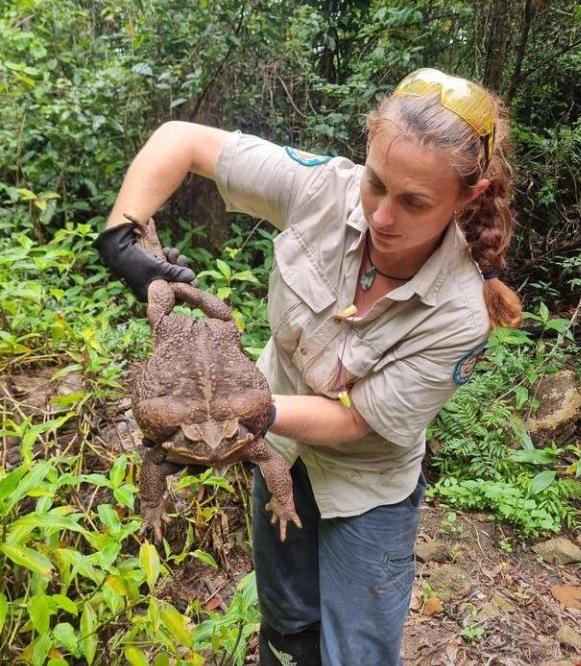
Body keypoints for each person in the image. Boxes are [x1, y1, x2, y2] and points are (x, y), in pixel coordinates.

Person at [96, 69, 522, 666]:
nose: (381, 216)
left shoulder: (459, 315)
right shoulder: (322, 189)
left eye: (414, 202)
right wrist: (122, 237)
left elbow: (355, 422)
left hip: (365, 485)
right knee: (287, 621)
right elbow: (181, 140)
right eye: (376, 183)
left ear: (466, 198)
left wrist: (240, 413)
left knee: (358, 651)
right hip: (278, 456)